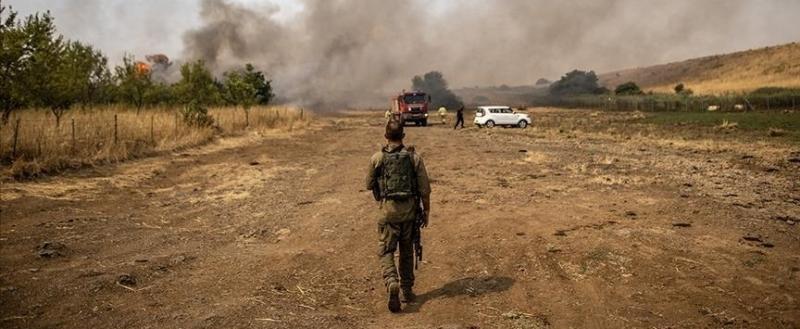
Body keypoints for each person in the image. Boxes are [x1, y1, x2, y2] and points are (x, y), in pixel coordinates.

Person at [366, 120, 431, 313]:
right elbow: (425, 190)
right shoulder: (414, 158)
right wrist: (426, 211)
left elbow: (369, 184)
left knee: (386, 251)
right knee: (407, 251)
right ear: (403, 136)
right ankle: (407, 290)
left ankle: (392, 281)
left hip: (388, 212)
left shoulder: (377, 158)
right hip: (410, 213)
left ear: (386, 136)